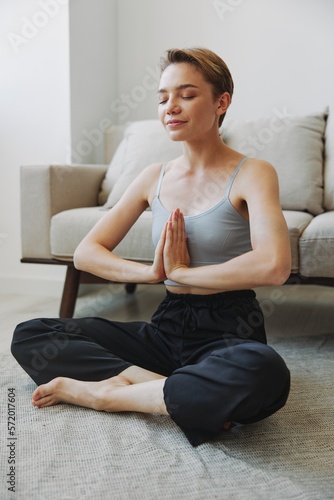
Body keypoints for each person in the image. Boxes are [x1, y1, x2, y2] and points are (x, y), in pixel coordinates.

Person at [11, 48, 291, 447]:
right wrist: (151, 273)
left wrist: (184, 273)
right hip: (165, 328)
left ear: (221, 102)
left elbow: (274, 265)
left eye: (187, 95)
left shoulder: (254, 173)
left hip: (228, 329)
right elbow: (87, 253)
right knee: (32, 334)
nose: (170, 107)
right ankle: (167, 390)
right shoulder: (152, 176)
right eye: (162, 98)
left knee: (265, 371)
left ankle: (110, 395)